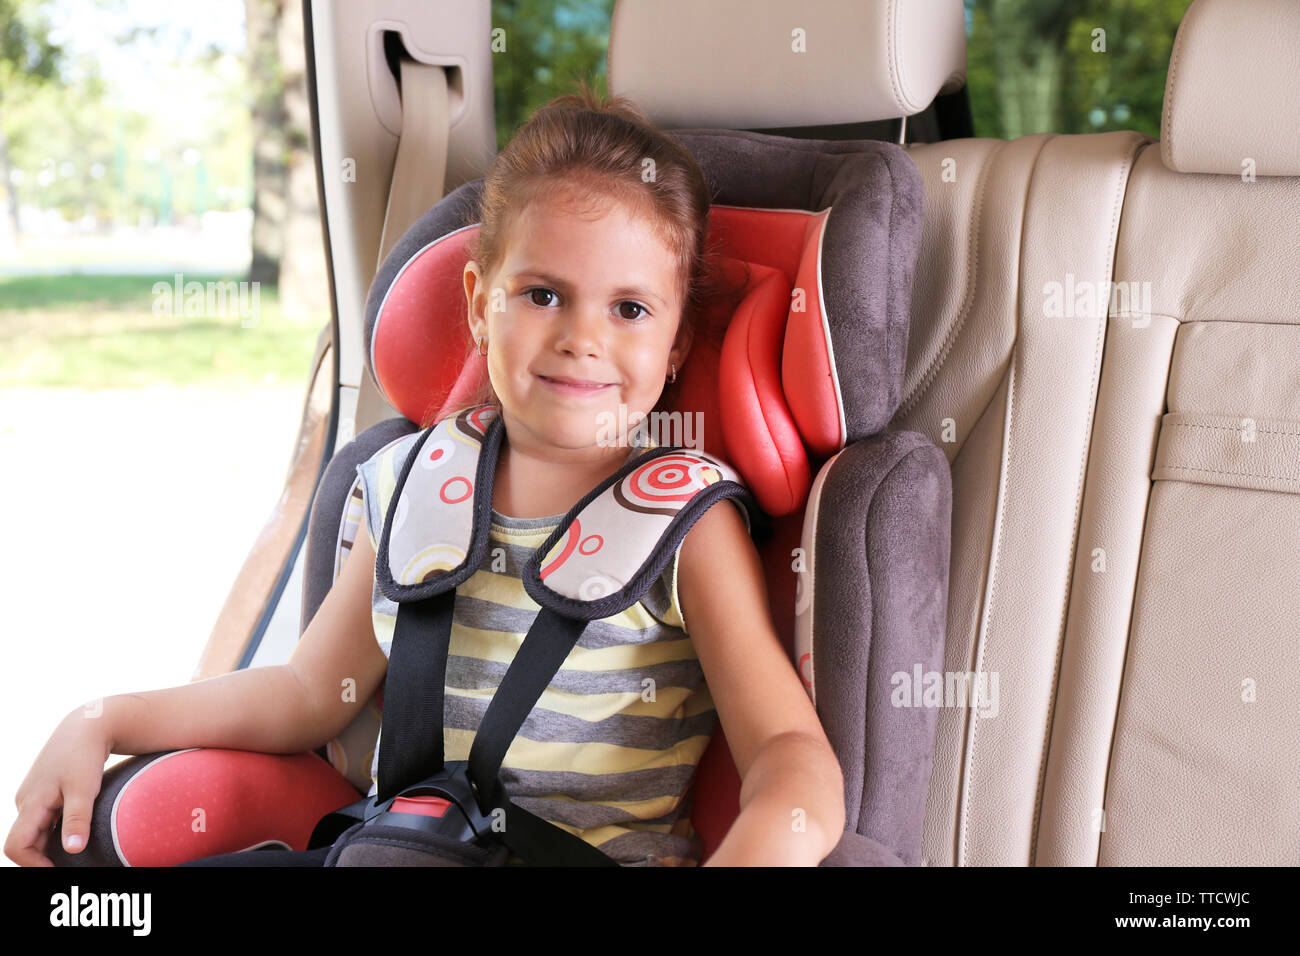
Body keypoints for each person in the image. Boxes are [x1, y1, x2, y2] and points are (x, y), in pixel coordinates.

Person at [5, 81, 845, 868]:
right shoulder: (410, 479)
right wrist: (106, 716)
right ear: (480, 303)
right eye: (544, 294)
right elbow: (309, 692)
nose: (582, 337)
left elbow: (787, 755)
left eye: (629, 309)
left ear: (675, 351)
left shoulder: (688, 525)